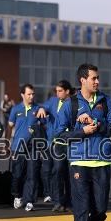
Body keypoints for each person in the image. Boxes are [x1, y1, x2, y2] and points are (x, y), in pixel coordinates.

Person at [55, 63, 111, 221]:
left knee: (100, 210)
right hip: (79, 163)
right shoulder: (71, 104)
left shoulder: (106, 100)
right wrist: (81, 132)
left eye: (98, 78)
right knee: (82, 210)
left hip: (102, 162)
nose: (97, 81)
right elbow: (58, 135)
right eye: (93, 78)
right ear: (82, 80)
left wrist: (98, 124)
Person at [8, 84, 45, 211]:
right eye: (29, 94)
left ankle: (30, 200)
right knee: (17, 174)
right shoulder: (15, 109)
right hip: (18, 146)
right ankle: (17, 196)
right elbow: (10, 126)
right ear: (22, 95)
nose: (31, 96)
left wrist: (42, 110)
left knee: (32, 173)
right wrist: (8, 144)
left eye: (33, 94)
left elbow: (45, 124)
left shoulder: (38, 109)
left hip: (33, 146)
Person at [43, 80, 74, 212]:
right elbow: (43, 106)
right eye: (56, 91)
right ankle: (58, 201)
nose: (57, 93)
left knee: (71, 174)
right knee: (57, 171)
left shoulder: (75, 103)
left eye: (60, 91)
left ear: (67, 91)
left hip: (72, 143)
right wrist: (40, 109)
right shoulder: (53, 101)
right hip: (58, 144)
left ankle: (70, 202)